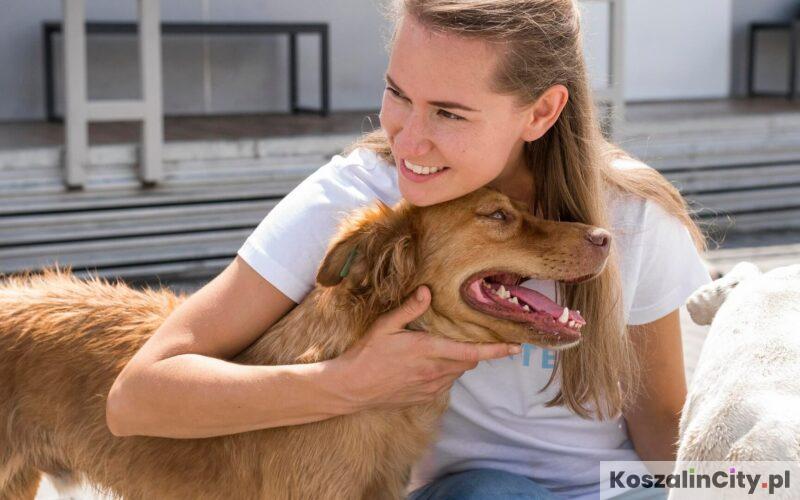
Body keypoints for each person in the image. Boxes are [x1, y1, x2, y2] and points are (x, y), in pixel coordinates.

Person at [106, 0, 711, 498]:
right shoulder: (358, 202)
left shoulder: (629, 214)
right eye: (398, 93)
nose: (409, 139)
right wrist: (347, 382)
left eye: (449, 112)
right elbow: (138, 397)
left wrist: (755, 480)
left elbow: (660, 422)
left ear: (542, 111)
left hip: (616, 486)